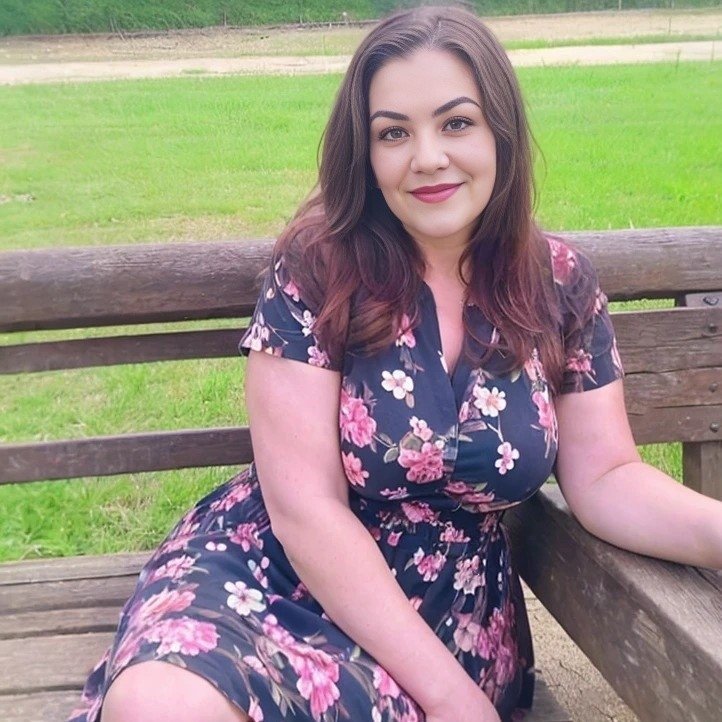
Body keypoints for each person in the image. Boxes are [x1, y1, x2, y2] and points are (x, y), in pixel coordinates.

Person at [69, 6, 722, 722]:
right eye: (394, 133)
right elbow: (305, 509)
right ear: (366, 152)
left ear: (500, 131)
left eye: (456, 123)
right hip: (275, 576)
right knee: (161, 704)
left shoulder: (558, 283)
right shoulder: (319, 270)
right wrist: (449, 699)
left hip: (447, 618)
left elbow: (606, 477)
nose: (428, 158)